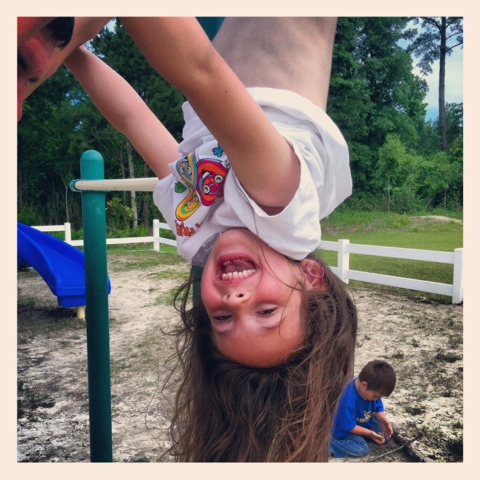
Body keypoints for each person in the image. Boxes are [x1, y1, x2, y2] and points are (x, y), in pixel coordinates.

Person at [61, 17, 358, 461]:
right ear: (311, 276)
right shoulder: (280, 204)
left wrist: (70, 53)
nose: (236, 301)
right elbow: (198, 71)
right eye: (266, 311)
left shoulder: (195, 229)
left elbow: (131, 118)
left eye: (222, 318)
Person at [329, 360, 397, 459]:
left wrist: (383, 419)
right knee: (362, 449)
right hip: (346, 431)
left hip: (364, 422)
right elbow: (349, 427)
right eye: (375, 396)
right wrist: (369, 433)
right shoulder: (348, 399)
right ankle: (329, 446)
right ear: (364, 385)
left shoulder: (371, 388)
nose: (376, 399)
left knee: (386, 436)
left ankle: (364, 436)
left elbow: (377, 408)